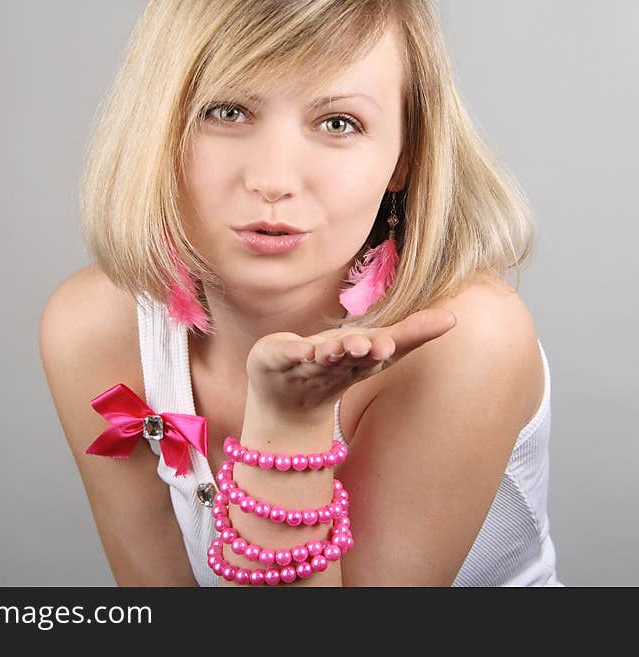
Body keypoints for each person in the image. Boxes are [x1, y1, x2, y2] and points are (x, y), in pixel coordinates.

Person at [40, 0, 563, 587]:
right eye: (227, 111)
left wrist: (290, 424)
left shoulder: (465, 341)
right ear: (157, 126)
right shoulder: (92, 327)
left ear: (405, 156)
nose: (274, 179)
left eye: (338, 122)